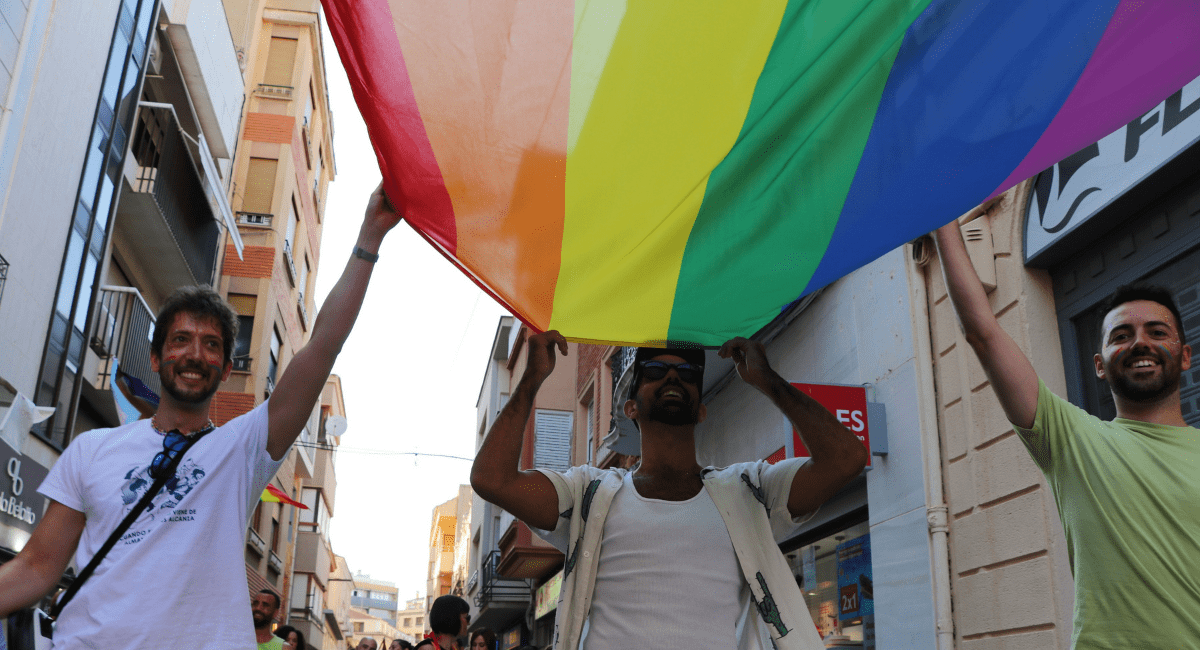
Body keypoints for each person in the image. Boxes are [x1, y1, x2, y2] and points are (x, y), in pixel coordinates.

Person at [0, 184, 402, 647]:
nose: (195, 354)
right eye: (180, 340)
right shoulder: (91, 450)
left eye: (211, 345)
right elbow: (36, 567)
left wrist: (369, 238)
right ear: (155, 358)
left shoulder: (242, 450)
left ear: (226, 369)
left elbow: (323, 344)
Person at [471, 333, 868, 649]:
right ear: (630, 408)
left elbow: (846, 460)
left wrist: (769, 382)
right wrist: (531, 380)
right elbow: (493, 479)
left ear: (700, 409)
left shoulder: (748, 490)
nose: (673, 377)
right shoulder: (588, 494)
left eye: (688, 374)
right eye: (656, 370)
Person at [934, 203, 1199, 648]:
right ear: (1099, 365)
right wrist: (939, 220)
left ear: (1185, 355)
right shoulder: (1072, 438)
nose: (1139, 342)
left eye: (1157, 331)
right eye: (1121, 335)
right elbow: (982, 331)